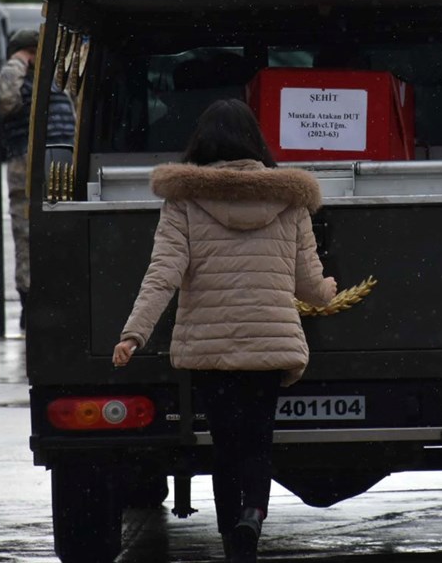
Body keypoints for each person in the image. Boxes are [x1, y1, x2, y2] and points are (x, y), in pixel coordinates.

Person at [111, 99, 337, 563]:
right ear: (255, 141)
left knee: (226, 446)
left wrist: (134, 334)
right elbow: (310, 284)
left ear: (202, 143)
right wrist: (331, 292)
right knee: (257, 441)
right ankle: (252, 515)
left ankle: (234, 544)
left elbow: (163, 274)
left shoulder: (185, 202)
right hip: (270, 347)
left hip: (210, 350)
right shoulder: (290, 199)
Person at [0, 28, 75, 333]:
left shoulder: (55, 78)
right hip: (26, 164)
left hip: (60, 163)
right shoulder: (14, 76)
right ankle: (31, 304)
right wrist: (17, 63)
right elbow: (6, 101)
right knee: (27, 234)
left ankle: (60, 300)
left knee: (63, 231)